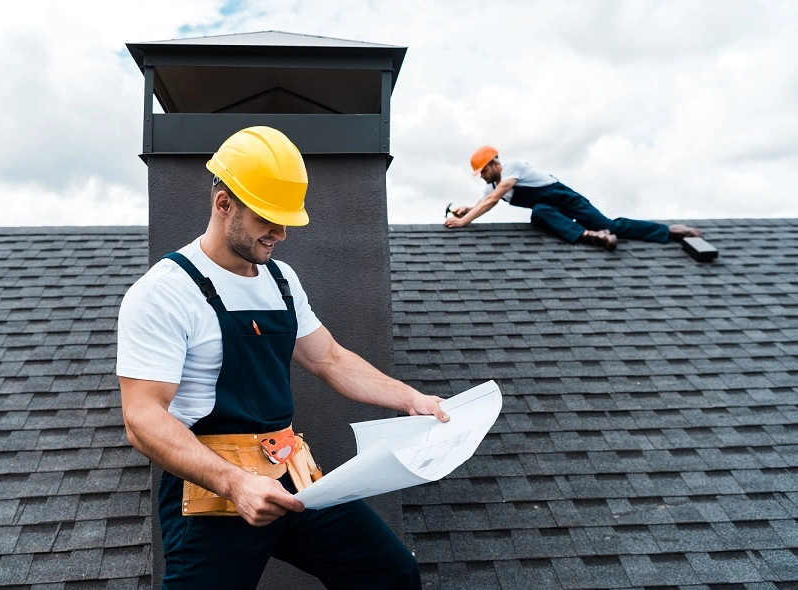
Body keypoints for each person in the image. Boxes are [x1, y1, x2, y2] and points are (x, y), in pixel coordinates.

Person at [117, 126, 448, 590]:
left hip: (292, 475)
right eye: (267, 218)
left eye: (286, 218)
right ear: (224, 203)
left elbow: (329, 358)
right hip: (212, 496)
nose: (281, 232)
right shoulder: (164, 292)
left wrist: (412, 399)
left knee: (390, 573)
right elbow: (142, 417)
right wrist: (236, 484)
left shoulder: (281, 279)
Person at [444, 145, 702, 249]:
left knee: (612, 225)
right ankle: (589, 237)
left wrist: (464, 223)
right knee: (540, 212)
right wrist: (465, 211)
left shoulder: (513, 169)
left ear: (494, 163)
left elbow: (491, 200)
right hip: (550, 211)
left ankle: (669, 232)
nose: (481, 177)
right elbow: (482, 203)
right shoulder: (490, 188)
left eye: (483, 171)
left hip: (568, 200)